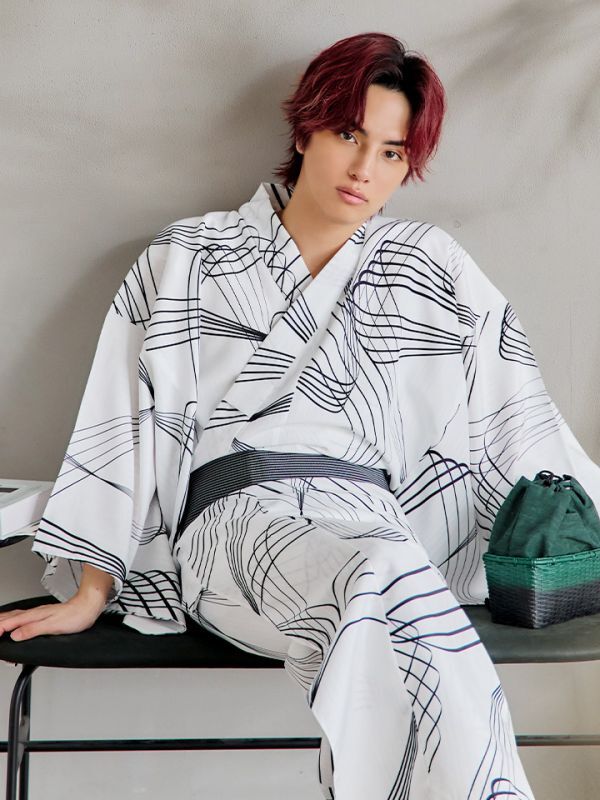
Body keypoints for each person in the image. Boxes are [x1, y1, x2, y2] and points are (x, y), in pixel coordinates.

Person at [1, 31, 599, 799]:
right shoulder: (189, 257)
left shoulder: (429, 264)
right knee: (383, 577)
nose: (364, 168)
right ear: (307, 128)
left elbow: (518, 416)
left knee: (394, 582)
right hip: (233, 529)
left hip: (375, 523)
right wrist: (92, 588)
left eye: (391, 152)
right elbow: (121, 416)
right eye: (350, 135)